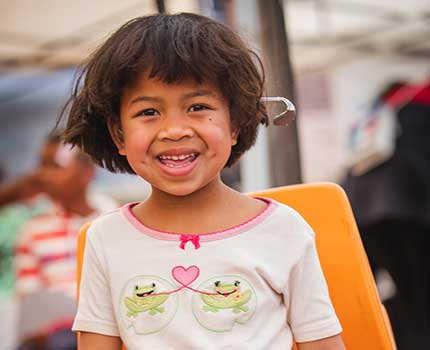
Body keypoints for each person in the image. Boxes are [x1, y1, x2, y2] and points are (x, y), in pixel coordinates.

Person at [61, 13, 344, 350]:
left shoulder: (285, 229)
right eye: (149, 112)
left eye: (197, 106)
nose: (174, 130)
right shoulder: (105, 239)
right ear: (118, 134)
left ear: (235, 124)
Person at [14, 140, 116, 350]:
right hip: (54, 335)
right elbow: (29, 292)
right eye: (41, 165)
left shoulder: (116, 223)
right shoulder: (34, 229)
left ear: (87, 173)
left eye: (54, 166)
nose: (43, 176)